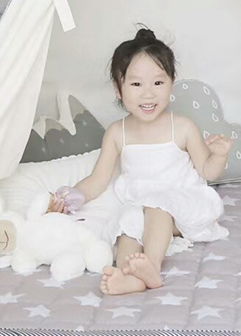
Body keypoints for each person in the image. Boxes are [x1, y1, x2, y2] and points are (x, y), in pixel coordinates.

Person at [49, 27, 231, 295]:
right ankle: (128, 276)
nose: (148, 94)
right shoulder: (117, 133)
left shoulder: (182, 127)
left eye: (158, 83)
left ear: (171, 83)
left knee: (157, 205)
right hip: (143, 206)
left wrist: (220, 155)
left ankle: (152, 267)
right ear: (118, 89)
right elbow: (98, 180)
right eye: (136, 84)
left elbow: (208, 171)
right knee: (128, 223)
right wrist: (72, 196)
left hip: (184, 205)